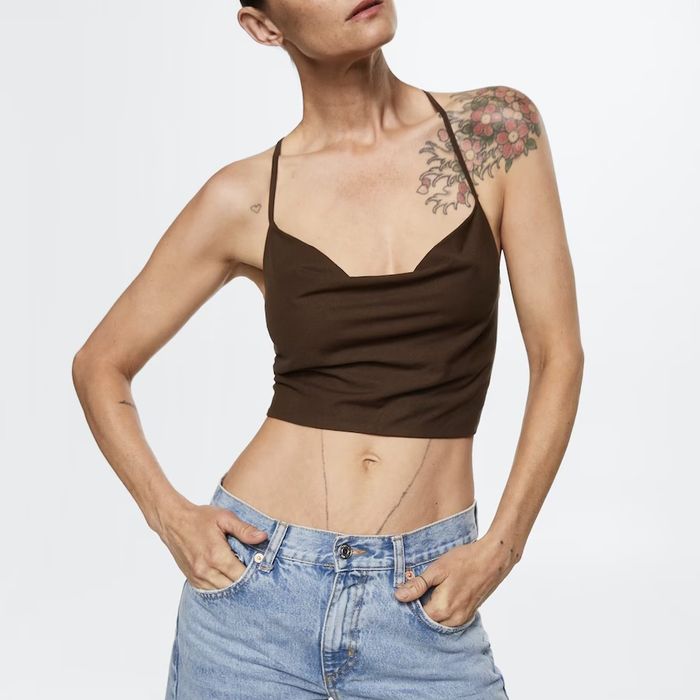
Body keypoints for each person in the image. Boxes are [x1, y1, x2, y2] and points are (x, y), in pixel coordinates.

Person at [72, 0, 584, 697]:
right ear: (264, 26)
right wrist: (170, 517)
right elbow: (100, 364)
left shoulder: (493, 130)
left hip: (423, 595)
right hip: (254, 600)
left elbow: (558, 356)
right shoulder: (244, 196)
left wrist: (503, 546)